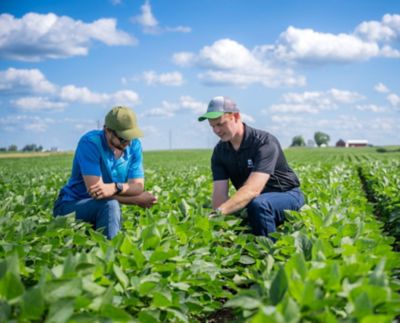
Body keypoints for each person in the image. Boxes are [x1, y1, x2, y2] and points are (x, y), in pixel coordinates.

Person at [198, 96, 304, 237]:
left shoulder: (264, 142)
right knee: (244, 210)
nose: (217, 130)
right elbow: (219, 194)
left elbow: (252, 190)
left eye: (220, 124)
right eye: (212, 126)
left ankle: (268, 254)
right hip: (254, 200)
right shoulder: (220, 152)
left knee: (258, 205)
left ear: (236, 116)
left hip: (286, 195)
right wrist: (217, 223)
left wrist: (219, 213)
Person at [53, 106, 157, 239]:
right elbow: (97, 193)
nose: (128, 143)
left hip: (102, 207)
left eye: (131, 137)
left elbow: (137, 187)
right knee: (111, 206)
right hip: (71, 207)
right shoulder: (91, 143)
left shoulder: (134, 145)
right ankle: (110, 257)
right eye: (123, 138)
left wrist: (114, 187)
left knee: (111, 208)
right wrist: (136, 200)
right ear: (107, 131)